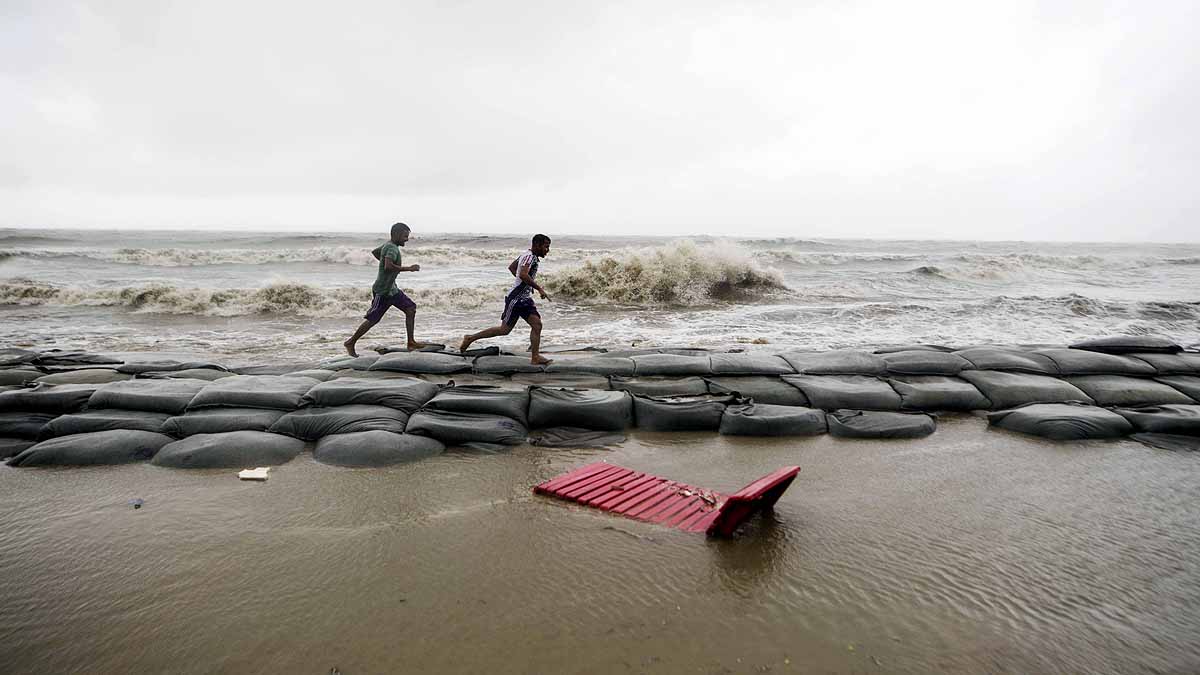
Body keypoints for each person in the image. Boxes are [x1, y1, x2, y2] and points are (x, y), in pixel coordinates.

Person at [460, 234, 553, 365]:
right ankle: (470, 338)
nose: (547, 250)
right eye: (546, 246)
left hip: (524, 299)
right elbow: (522, 274)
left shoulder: (526, 255)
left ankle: (535, 357)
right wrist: (538, 288)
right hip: (515, 299)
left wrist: (524, 284)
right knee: (504, 330)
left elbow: (512, 267)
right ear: (537, 245)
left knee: (537, 325)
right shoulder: (529, 257)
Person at [343, 222, 426, 357]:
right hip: (383, 291)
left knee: (410, 308)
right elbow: (388, 266)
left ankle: (411, 342)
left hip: (392, 289)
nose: (407, 239)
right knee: (373, 319)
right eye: (405, 236)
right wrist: (409, 268)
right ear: (397, 235)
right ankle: (350, 342)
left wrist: (382, 261)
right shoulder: (392, 248)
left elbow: (376, 252)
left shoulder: (388, 245)